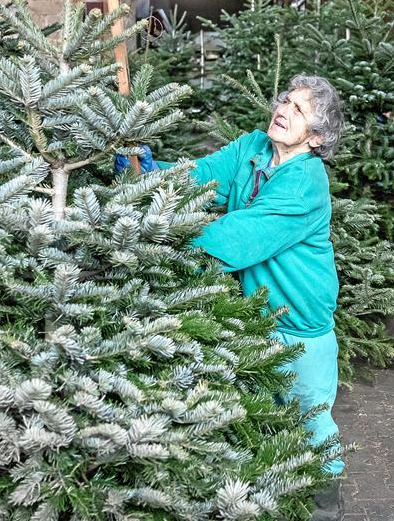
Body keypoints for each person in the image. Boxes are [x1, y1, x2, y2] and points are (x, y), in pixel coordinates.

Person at [122, 74, 347, 520]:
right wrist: (152, 173)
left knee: (311, 415)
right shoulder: (252, 147)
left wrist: (155, 240)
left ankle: (327, 495)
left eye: (300, 110)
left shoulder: (304, 183)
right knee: (264, 414)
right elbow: (203, 177)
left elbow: (238, 239)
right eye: (285, 100)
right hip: (255, 314)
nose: (283, 109)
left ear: (317, 137)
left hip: (301, 323)